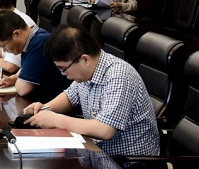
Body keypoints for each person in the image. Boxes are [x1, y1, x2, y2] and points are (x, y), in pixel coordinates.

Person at [24, 26, 159, 157]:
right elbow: (70, 97)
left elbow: (105, 130)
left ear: (85, 59)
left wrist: (57, 120)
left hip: (129, 163)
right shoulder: (87, 72)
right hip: (97, 152)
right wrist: (45, 108)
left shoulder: (118, 75)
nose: (63, 74)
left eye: (63, 69)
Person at [0, 10, 70, 100]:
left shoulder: (39, 43)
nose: (4, 51)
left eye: (4, 46)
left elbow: (22, 89)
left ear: (17, 34)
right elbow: (26, 68)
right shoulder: (34, 38)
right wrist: (12, 79)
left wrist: (18, 80)